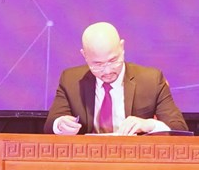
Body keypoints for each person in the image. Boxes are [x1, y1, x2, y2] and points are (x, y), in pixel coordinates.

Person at [47, 21, 189, 135]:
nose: (107, 71)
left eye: (113, 60)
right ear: (84, 55)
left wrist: (148, 125)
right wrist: (60, 124)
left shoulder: (151, 80)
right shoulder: (70, 80)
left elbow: (180, 129)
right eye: (97, 64)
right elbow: (50, 125)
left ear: (122, 47)